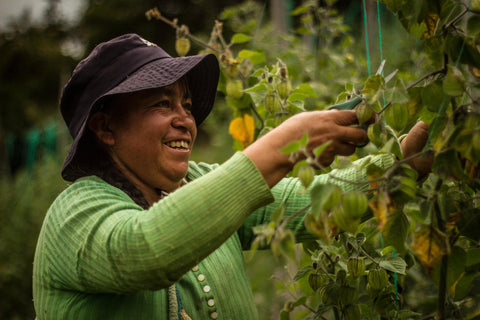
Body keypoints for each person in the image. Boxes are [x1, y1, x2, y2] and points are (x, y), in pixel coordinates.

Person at [32, 33, 430, 320]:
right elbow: (145, 249)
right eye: (160, 103)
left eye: (186, 105)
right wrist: (283, 144)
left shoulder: (196, 182)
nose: (185, 119)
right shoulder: (74, 215)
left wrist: (394, 170)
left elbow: (306, 200)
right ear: (105, 128)